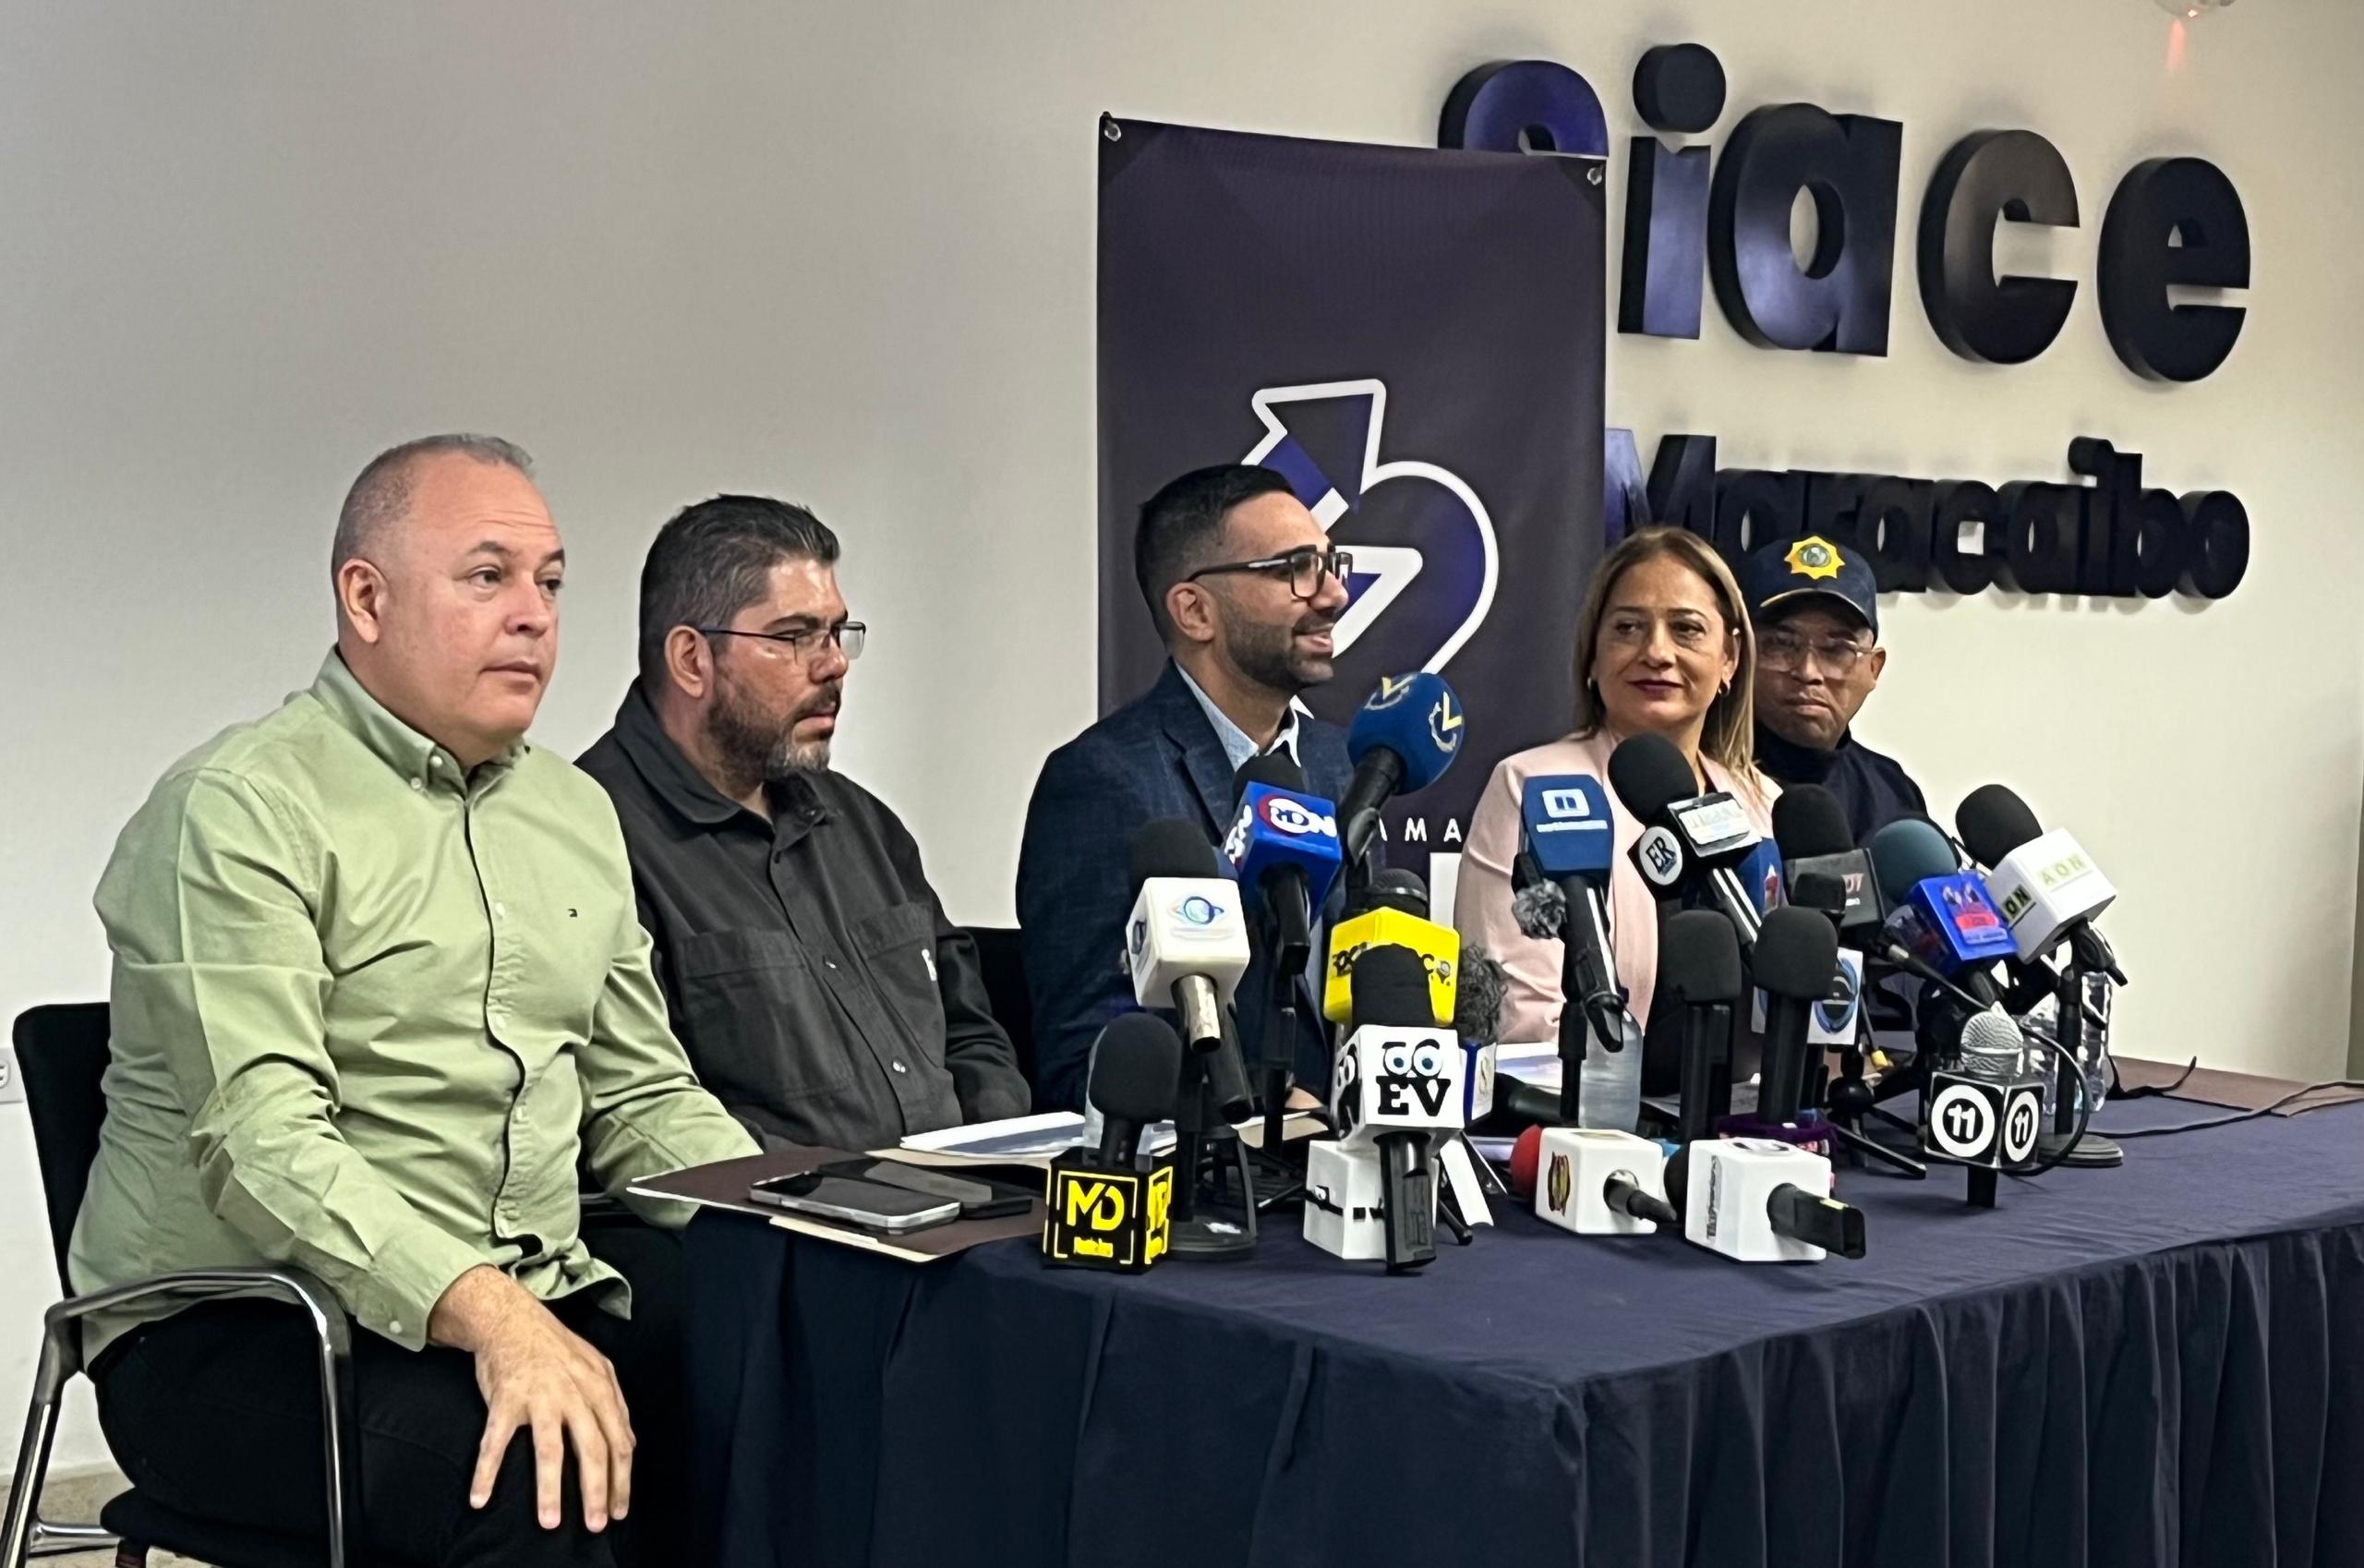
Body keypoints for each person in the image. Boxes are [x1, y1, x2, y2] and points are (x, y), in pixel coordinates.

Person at [72, 435, 760, 1568]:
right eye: (487, 575)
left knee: (803, 1381)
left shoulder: (573, 812)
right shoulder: (239, 807)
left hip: (521, 1278)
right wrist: (496, 1316)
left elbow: (642, 1094)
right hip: (243, 1324)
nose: (533, 615)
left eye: (550, 582)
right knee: (537, 1473)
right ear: (366, 598)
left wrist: (804, 1222)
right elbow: (260, 1142)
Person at [579, 496, 1031, 1151]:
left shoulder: (864, 826)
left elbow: (970, 1031)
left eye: (837, 632)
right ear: (691, 659)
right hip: (776, 1211)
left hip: (967, 1199)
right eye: (794, 636)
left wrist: (987, 1149)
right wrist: (868, 1195)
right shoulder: (593, 839)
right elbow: (646, 1112)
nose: (833, 663)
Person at [1018, 464, 1353, 1112]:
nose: (1333, 593)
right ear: (1196, 610)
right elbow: (1088, 1061)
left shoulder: (1341, 764)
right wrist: (1257, 1112)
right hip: (1214, 1165)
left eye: (1330, 563)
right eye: (1296, 568)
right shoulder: (1102, 782)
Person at [1453, 525, 1779, 1081]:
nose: (1657, 652)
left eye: (1686, 629)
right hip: (1578, 1114)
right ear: (1592, 655)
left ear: (1729, 658)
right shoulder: (1533, 786)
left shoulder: (1762, 803)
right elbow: (1521, 1020)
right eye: (1628, 628)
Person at [1742, 532, 1927, 844]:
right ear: (1738, 655)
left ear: (1874, 668)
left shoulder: (1892, 792)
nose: (1808, 672)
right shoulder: (1705, 779)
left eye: (1836, 650)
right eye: (1781, 644)